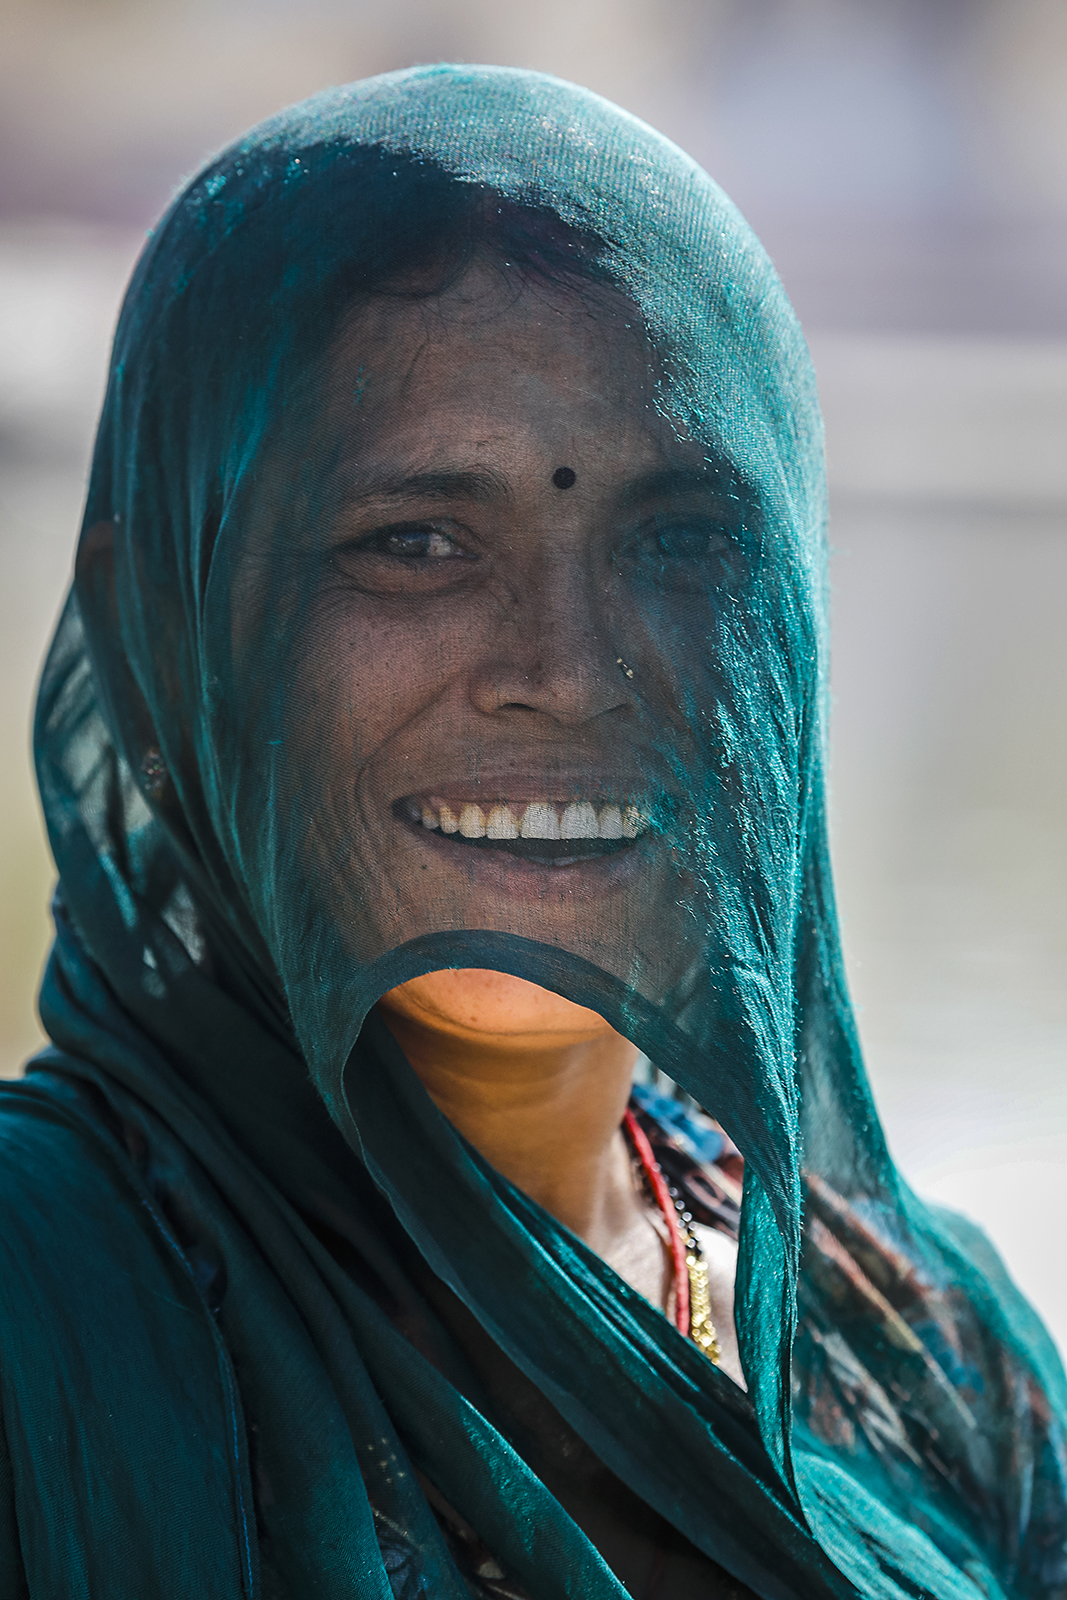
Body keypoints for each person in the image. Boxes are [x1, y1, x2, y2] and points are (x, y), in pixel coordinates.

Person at [1, 64, 1064, 1600]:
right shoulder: (47, 1321)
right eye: (418, 542)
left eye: (680, 539)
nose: (566, 667)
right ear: (166, 642)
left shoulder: (924, 1355)